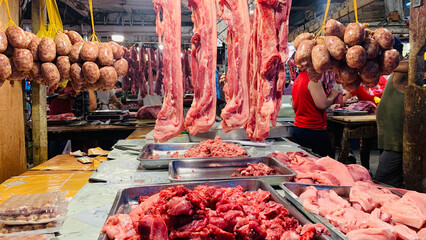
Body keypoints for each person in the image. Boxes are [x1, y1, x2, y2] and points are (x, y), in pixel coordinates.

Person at [374, 60, 408, 188]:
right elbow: (398, 65)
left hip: (392, 137)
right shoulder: (402, 71)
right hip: (394, 141)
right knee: (383, 185)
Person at [291, 69, 340, 157]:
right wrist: (333, 95)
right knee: (324, 167)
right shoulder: (313, 80)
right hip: (314, 131)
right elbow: (322, 104)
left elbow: (294, 105)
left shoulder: (298, 78)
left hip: (299, 129)